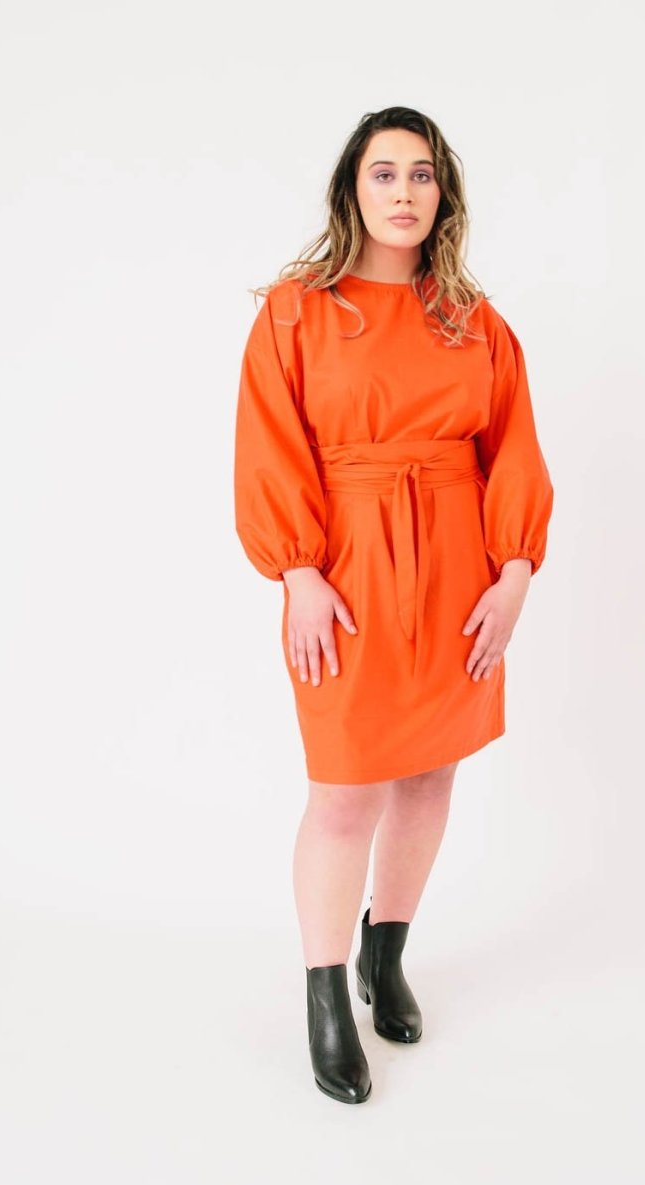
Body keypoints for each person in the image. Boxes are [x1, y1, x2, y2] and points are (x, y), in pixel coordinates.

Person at [233, 105, 554, 1104]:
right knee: (343, 791)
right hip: (344, 573)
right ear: (352, 190)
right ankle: (325, 991)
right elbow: (268, 444)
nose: (403, 192)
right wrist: (297, 572)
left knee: (428, 774)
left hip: (456, 569)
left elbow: (513, 449)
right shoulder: (296, 311)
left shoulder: (472, 319)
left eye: (421, 174)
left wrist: (512, 575)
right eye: (384, 173)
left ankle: (388, 951)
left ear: (442, 192)